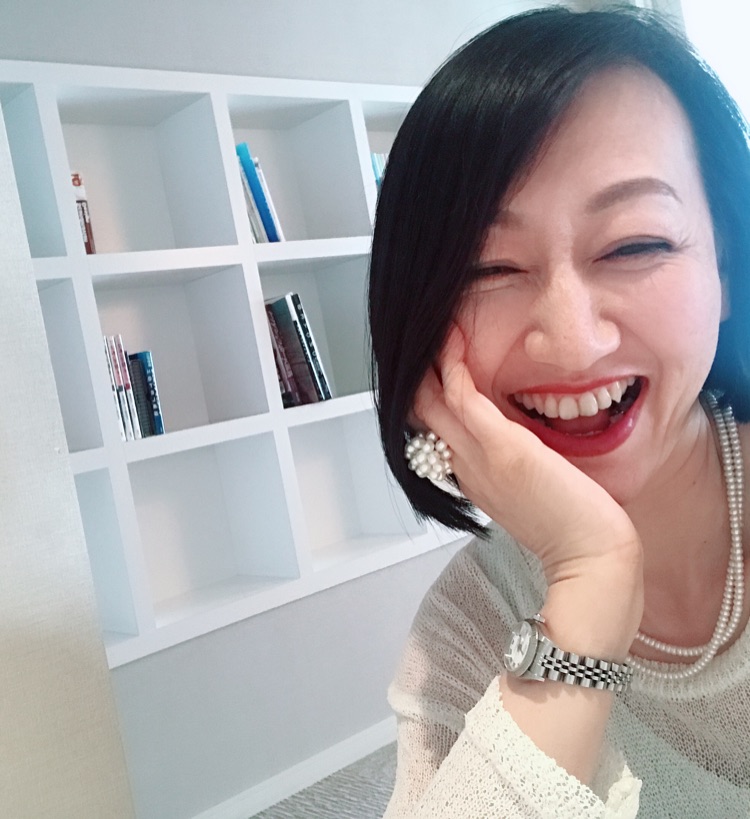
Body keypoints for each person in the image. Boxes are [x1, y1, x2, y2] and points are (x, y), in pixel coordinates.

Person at [367, 6, 750, 817]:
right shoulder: (467, 629)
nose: (573, 343)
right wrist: (589, 577)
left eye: (634, 244)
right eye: (489, 268)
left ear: (724, 265)